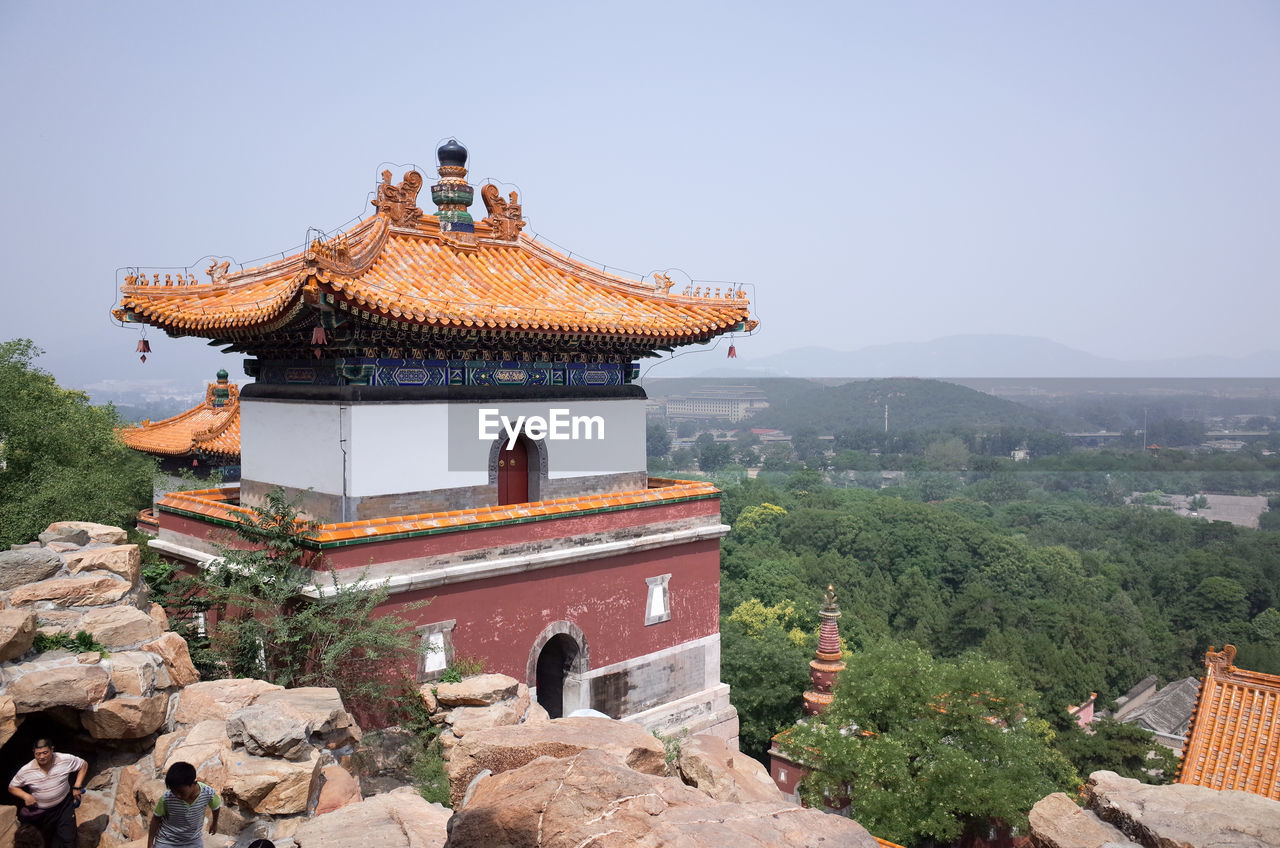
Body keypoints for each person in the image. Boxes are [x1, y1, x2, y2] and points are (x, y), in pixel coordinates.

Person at [7, 737, 88, 848]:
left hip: (64, 806)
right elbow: (12, 787)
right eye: (38, 754)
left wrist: (77, 786)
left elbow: (83, 765)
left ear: (52, 749)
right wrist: (25, 795)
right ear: (34, 753)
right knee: (43, 840)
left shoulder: (65, 759)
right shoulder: (26, 770)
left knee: (68, 839)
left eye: (45, 752)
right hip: (41, 812)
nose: (41, 757)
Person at [147, 762, 221, 848]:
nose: (177, 795)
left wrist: (214, 823)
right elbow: (156, 819)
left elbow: (216, 807)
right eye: (173, 791)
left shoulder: (208, 793)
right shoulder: (167, 798)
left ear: (194, 783)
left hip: (193, 840)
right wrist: (150, 843)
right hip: (167, 840)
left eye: (180, 792)